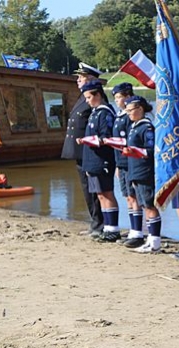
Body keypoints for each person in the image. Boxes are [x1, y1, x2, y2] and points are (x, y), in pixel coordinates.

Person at [61, 62, 104, 238]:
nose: (78, 80)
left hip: (89, 152)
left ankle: (99, 225)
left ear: (91, 79)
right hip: (80, 151)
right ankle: (95, 223)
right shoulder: (82, 98)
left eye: (81, 77)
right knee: (87, 190)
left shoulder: (97, 100)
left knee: (94, 190)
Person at [75, 80, 120, 243]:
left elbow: (106, 137)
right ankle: (107, 228)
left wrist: (90, 140)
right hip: (93, 161)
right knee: (100, 195)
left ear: (98, 95)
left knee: (107, 193)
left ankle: (112, 229)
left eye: (88, 97)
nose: (87, 101)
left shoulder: (105, 113)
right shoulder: (95, 112)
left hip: (103, 160)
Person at [122, 96, 162, 253]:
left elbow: (152, 150)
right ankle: (150, 239)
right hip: (135, 171)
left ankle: (155, 241)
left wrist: (134, 151)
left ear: (140, 109)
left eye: (131, 110)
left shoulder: (146, 128)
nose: (129, 114)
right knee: (144, 205)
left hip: (144, 171)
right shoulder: (134, 127)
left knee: (149, 205)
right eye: (127, 111)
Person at [111, 83, 144, 248]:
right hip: (122, 162)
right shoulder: (120, 116)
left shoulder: (130, 118)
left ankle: (138, 232)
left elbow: (131, 141)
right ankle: (133, 230)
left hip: (131, 162)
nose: (117, 101)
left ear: (128, 96)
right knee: (127, 197)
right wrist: (117, 164)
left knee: (134, 196)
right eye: (115, 98)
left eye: (119, 97)